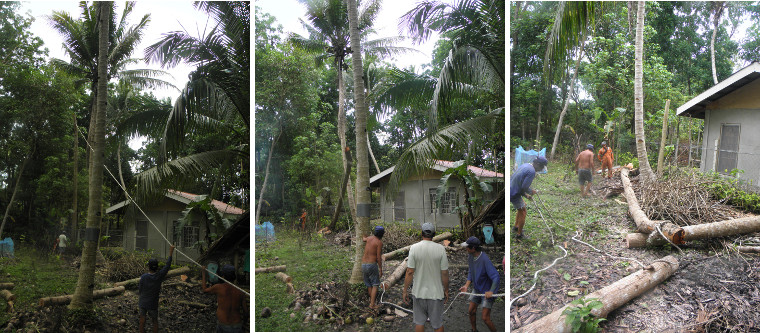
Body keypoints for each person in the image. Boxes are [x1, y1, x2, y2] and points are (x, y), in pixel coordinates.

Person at [403, 223, 449, 332]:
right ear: (434, 234)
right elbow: (445, 273)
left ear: (421, 234)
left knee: (419, 322)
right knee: (437, 324)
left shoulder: (414, 248)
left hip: (418, 293)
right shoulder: (441, 249)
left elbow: (409, 272)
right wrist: (446, 290)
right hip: (436, 293)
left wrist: (405, 290)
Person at [459, 236, 500, 332]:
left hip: (487, 291)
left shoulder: (484, 260)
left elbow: (496, 277)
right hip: (477, 288)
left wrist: (491, 291)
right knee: (471, 311)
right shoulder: (471, 256)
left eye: (467, 247)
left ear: (473, 248)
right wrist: (466, 285)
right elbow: (471, 271)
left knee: (485, 318)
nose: (466, 249)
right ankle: (474, 330)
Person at [138, 245, 174, 333]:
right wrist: (171, 252)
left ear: (148, 267)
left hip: (143, 302)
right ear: (157, 267)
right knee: (155, 321)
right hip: (152, 303)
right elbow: (167, 266)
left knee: (142, 320)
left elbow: (140, 289)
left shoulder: (144, 277)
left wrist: (142, 296)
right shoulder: (159, 276)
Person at [510, 156, 548, 238]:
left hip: (511, 189)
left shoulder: (526, 165)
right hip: (513, 193)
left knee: (522, 207)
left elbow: (520, 183)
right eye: (541, 167)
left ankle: (516, 226)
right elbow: (524, 187)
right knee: (523, 211)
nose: (541, 169)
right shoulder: (531, 171)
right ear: (537, 164)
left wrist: (526, 195)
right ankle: (519, 234)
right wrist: (531, 192)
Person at [202, 264, 247, 333]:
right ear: (234, 276)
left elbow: (204, 290)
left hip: (223, 325)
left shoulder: (218, 287)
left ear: (223, 276)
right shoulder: (240, 291)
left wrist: (203, 273)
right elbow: (245, 312)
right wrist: (244, 324)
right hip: (237, 325)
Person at [361, 225, 384, 310]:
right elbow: (378, 257)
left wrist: (363, 234)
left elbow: (364, 239)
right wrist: (380, 269)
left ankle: (372, 302)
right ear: (382, 234)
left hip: (363, 264)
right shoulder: (379, 242)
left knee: (369, 284)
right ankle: (372, 304)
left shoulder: (369, 238)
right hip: (371, 265)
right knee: (375, 284)